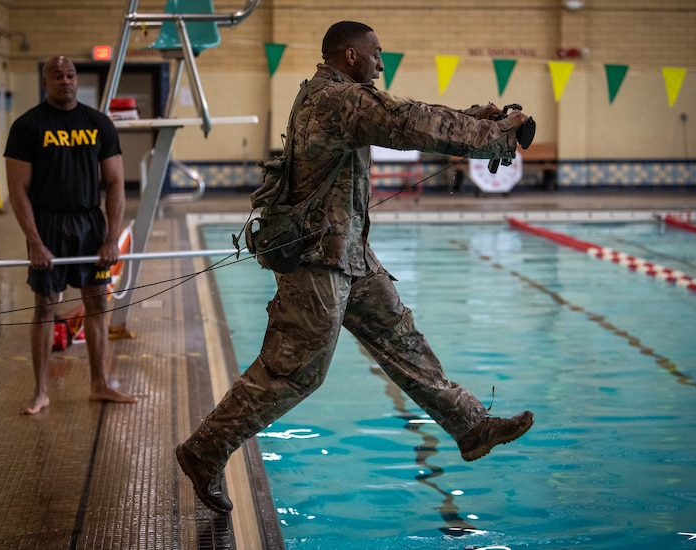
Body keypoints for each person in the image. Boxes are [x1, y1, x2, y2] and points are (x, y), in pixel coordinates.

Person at [176, 21, 535, 513]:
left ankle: (471, 427)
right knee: (294, 372)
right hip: (316, 259)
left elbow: (409, 114)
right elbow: (408, 123)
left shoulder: (332, 94)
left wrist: (475, 118)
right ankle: (205, 450)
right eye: (376, 55)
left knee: (400, 339)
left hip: (348, 255)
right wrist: (495, 137)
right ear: (349, 56)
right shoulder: (338, 99)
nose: (381, 64)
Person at [5, 56, 138, 415]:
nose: (65, 80)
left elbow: (114, 184)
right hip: (47, 224)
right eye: (56, 75)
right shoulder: (27, 126)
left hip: (88, 224)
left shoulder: (98, 124)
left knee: (97, 303)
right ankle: (40, 392)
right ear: (44, 81)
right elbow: (17, 189)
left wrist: (111, 237)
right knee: (45, 306)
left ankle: (99, 384)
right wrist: (34, 241)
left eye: (70, 74)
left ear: (76, 80)